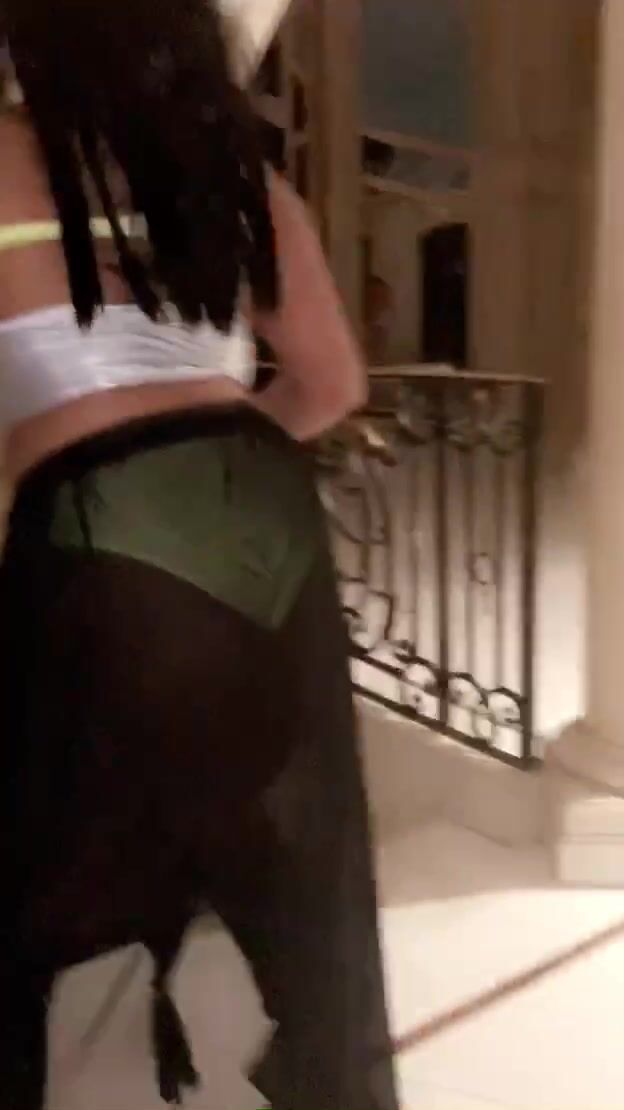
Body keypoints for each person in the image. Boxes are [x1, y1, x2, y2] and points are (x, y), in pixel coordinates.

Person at [0, 2, 399, 1109]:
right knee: (285, 861)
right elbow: (332, 384)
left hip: (101, 519)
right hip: (261, 511)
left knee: (36, 864)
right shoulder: (232, 175)